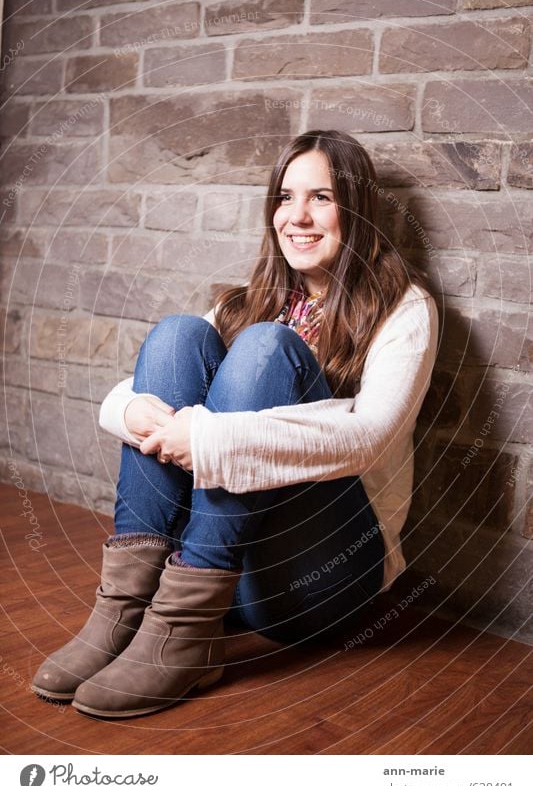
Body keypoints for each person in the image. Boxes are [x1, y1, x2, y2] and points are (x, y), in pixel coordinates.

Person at [32, 129, 439, 719]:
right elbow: (136, 390)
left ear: (357, 209)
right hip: (234, 579)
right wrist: (126, 410)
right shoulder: (250, 301)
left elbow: (368, 439)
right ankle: (122, 611)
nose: (298, 216)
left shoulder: (404, 307)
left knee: (266, 351)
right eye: (285, 196)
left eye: (321, 198)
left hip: (319, 578)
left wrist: (204, 437)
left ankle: (182, 631)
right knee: (179, 336)